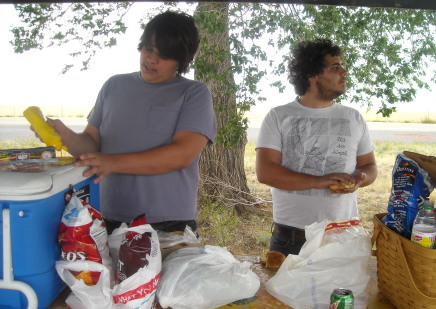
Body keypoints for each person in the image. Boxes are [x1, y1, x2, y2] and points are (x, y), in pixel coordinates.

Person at [41, 11, 217, 234]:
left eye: (163, 54)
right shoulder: (114, 85)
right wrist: (65, 136)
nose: (151, 59)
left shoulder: (193, 93)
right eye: (148, 48)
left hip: (168, 223)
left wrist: (112, 162)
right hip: (106, 217)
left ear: (181, 60)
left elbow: (182, 155)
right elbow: (92, 144)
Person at [255, 39, 378, 256]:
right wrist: (319, 182)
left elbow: (369, 166)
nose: (344, 72)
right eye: (335, 67)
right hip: (292, 238)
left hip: (342, 234)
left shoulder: (353, 117)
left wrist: (360, 178)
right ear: (312, 75)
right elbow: (265, 172)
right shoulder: (278, 116)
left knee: (344, 292)